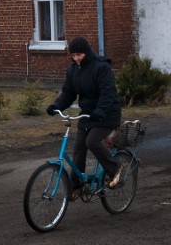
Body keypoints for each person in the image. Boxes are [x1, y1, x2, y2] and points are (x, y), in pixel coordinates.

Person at [46, 36, 123, 195]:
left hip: (107, 113)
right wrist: (56, 106)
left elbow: (107, 93)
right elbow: (68, 94)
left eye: (79, 55)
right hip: (88, 114)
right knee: (79, 148)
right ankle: (77, 185)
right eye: (73, 55)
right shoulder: (73, 71)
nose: (76, 58)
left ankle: (115, 168)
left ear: (86, 52)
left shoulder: (101, 68)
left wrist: (100, 111)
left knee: (92, 141)